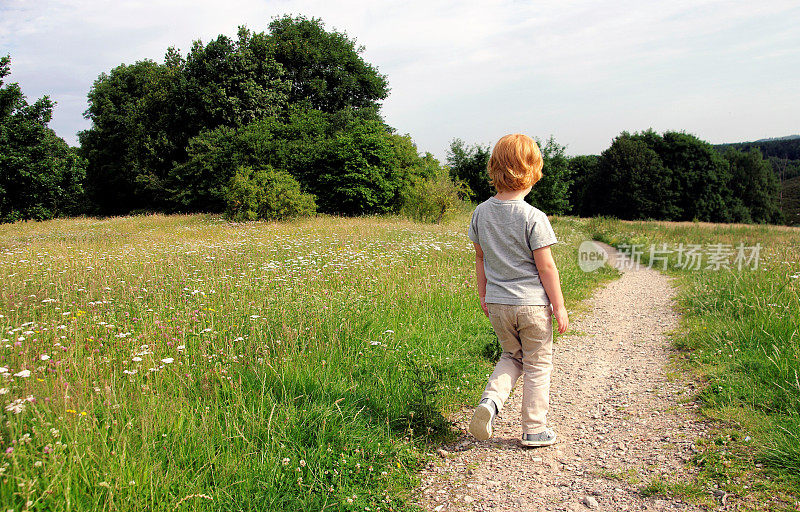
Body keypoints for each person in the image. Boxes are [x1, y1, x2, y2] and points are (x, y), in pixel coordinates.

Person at [467, 133, 569, 447]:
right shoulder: (533, 217)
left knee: (511, 356)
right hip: (532, 306)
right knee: (538, 362)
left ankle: (490, 403)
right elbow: (546, 267)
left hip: (498, 303)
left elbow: (480, 258)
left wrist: (484, 296)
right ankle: (534, 429)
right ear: (532, 172)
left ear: (494, 169)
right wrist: (559, 306)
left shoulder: (480, 213)